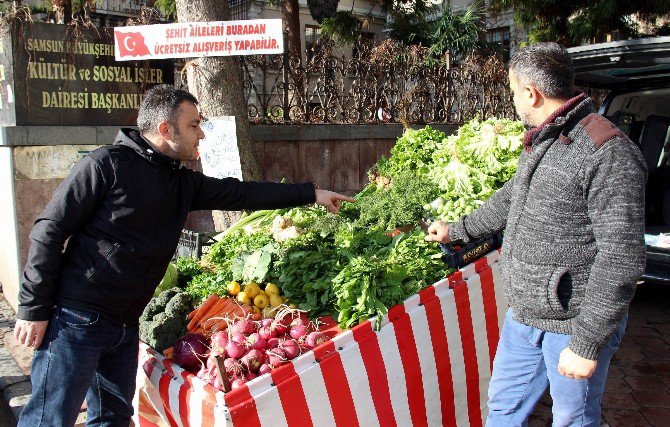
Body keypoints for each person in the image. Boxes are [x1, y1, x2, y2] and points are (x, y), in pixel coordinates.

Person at [14, 84, 355, 426]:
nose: (201, 134)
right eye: (194, 125)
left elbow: (241, 192)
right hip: (77, 318)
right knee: (49, 418)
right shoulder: (105, 165)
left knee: (113, 417)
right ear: (165, 129)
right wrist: (33, 307)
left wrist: (311, 193)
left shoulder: (180, 181)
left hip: (124, 324)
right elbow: (49, 230)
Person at [425, 42, 646, 426]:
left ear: (531, 93)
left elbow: (622, 259)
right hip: (525, 317)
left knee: (571, 419)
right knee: (504, 411)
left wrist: (587, 344)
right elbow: (511, 198)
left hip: (573, 324)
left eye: (513, 91)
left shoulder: (607, 153)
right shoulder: (544, 137)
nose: (513, 100)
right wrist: (455, 231)